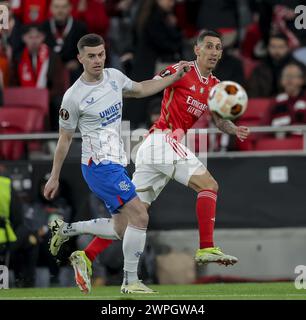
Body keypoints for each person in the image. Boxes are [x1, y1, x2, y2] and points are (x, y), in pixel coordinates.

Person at [49, 30, 250, 293]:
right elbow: (149, 86)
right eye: (209, 46)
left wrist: (233, 129)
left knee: (128, 223)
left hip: (156, 152)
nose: (214, 52)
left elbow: (219, 120)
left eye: (218, 48)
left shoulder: (215, 87)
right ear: (197, 49)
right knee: (209, 185)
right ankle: (205, 247)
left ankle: (85, 253)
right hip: (161, 141)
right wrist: (171, 77)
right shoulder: (181, 70)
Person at [43, 33, 190, 294]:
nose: (98, 60)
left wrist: (174, 78)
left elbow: (142, 88)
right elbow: (64, 139)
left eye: (100, 54)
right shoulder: (73, 97)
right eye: (91, 56)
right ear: (80, 58)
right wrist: (54, 176)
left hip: (116, 163)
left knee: (123, 229)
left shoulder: (114, 77)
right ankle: (130, 281)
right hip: (98, 166)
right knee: (140, 216)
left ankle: (66, 230)